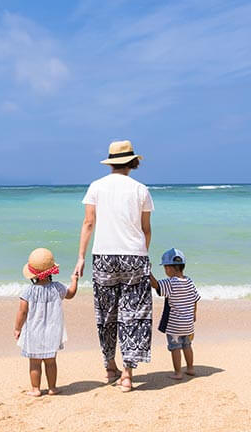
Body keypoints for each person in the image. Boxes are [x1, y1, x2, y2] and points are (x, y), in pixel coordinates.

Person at [73, 140, 154, 393]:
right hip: (134, 256)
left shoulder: (96, 186)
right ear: (133, 162)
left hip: (104, 255)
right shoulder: (141, 189)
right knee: (134, 313)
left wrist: (81, 257)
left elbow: (88, 223)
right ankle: (128, 375)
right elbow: (146, 230)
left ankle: (110, 365)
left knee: (106, 312)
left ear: (110, 162)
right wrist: (141, 254)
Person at [15, 247, 79, 396]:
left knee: (35, 363)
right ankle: (52, 388)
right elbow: (71, 294)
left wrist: (17, 328)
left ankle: (35, 389)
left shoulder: (28, 291)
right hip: (53, 331)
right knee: (51, 362)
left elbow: (22, 312)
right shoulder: (57, 288)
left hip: (33, 332)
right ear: (51, 271)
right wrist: (74, 280)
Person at [149, 247, 200, 380]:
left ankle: (178, 372)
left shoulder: (170, 283)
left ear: (169, 268)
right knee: (187, 346)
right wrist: (193, 315)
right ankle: (190, 368)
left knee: (175, 348)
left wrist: (148, 272)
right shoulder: (189, 281)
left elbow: (156, 285)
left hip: (174, 325)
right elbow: (195, 300)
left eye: (165, 267)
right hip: (188, 324)